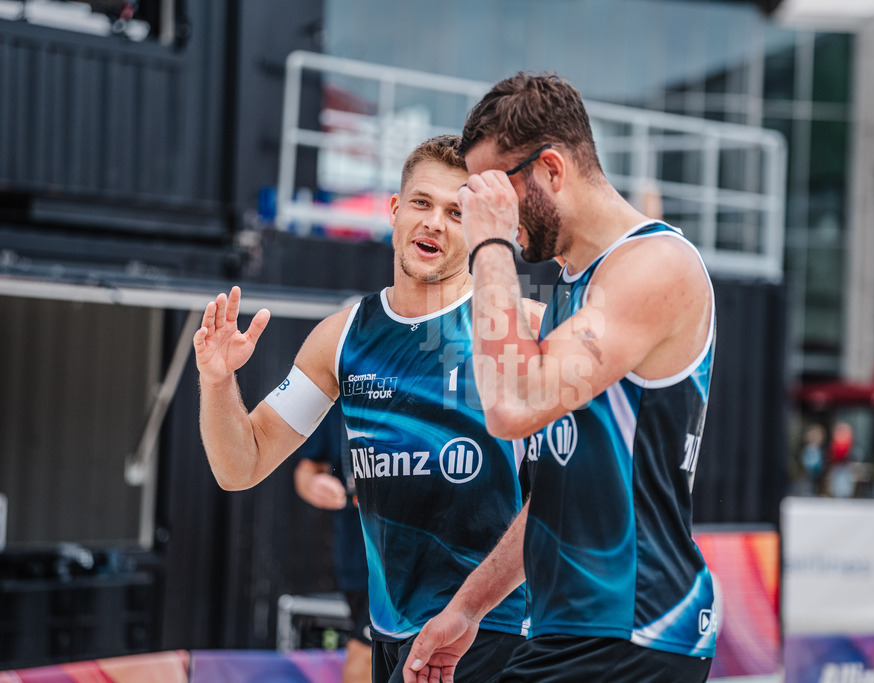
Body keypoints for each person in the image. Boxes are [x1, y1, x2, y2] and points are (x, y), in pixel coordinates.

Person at [405, 73, 718, 682]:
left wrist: (490, 242)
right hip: (580, 632)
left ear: (549, 168)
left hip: (634, 627)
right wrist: (468, 608)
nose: (481, 210)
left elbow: (512, 406)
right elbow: (558, 491)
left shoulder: (654, 265)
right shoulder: (577, 284)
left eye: (493, 189)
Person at [194, 135, 541, 683]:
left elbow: (577, 493)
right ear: (395, 210)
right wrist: (217, 382)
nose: (435, 223)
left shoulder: (517, 327)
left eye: (456, 212)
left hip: (496, 633)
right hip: (392, 633)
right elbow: (242, 465)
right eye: (423, 203)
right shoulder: (342, 337)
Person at [293, 401, 372, 683]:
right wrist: (314, 485)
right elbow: (306, 469)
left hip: (412, 559)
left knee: (364, 660)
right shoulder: (338, 394)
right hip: (356, 561)